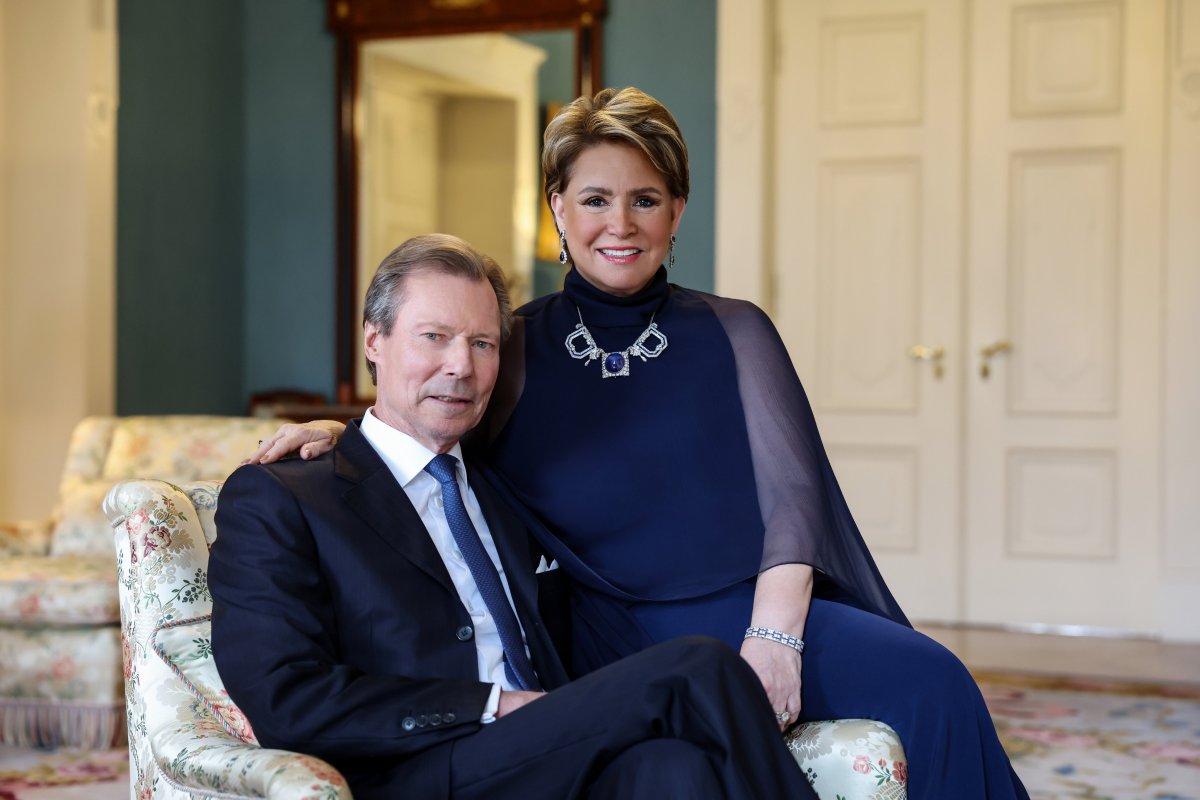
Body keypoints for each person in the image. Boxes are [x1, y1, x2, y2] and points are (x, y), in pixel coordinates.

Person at [254, 89, 1030, 798]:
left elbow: (797, 499)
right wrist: (343, 435)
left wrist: (774, 638)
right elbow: (427, 424)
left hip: (747, 608)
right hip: (602, 634)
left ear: (677, 211)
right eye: (595, 198)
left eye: (645, 200)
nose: (620, 224)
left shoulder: (735, 330)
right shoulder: (509, 344)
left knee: (935, 682)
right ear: (558, 207)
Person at [209, 233, 808, 800]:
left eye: (482, 344)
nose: (460, 367)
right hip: (416, 770)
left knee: (676, 770)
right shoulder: (283, 497)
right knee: (699, 666)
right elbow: (286, 699)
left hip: (545, 752)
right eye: (433, 337)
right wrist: (491, 705)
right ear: (374, 342)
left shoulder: (504, 487)